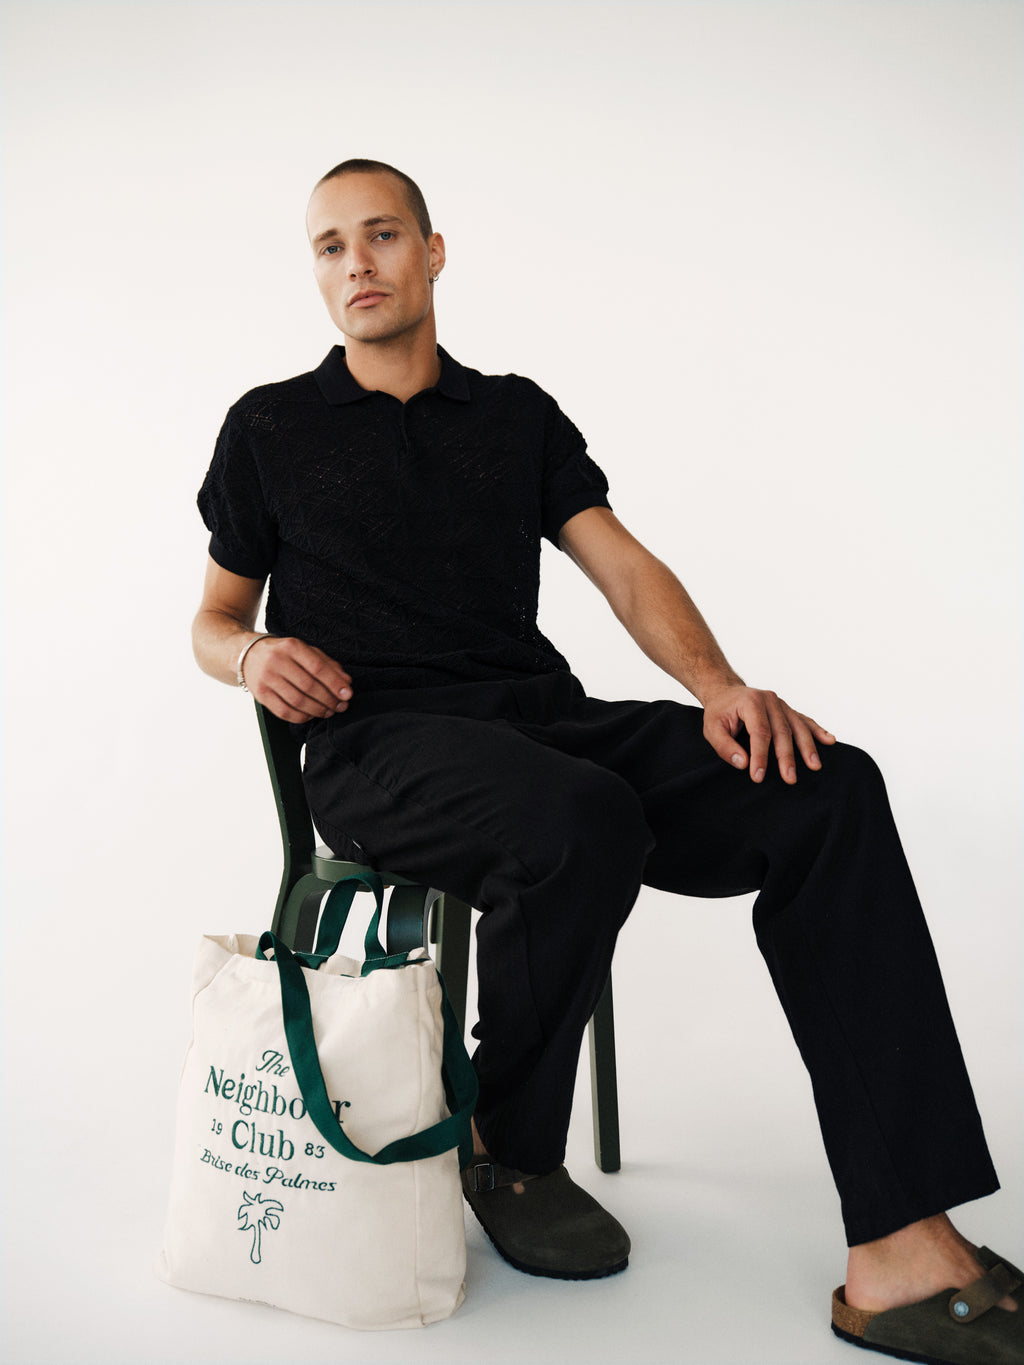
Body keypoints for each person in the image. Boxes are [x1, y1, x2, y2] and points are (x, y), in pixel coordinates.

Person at [192, 158, 1020, 1363]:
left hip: (541, 724)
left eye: (382, 235)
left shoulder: (515, 415)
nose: (356, 263)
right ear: (315, 273)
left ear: (433, 252)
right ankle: (511, 1149)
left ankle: (899, 1240)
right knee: (577, 817)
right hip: (376, 747)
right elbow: (213, 620)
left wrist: (721, 688)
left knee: (825, 790)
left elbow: (622, 566)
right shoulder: (270, 427)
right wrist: (252, 655)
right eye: (330, 246)